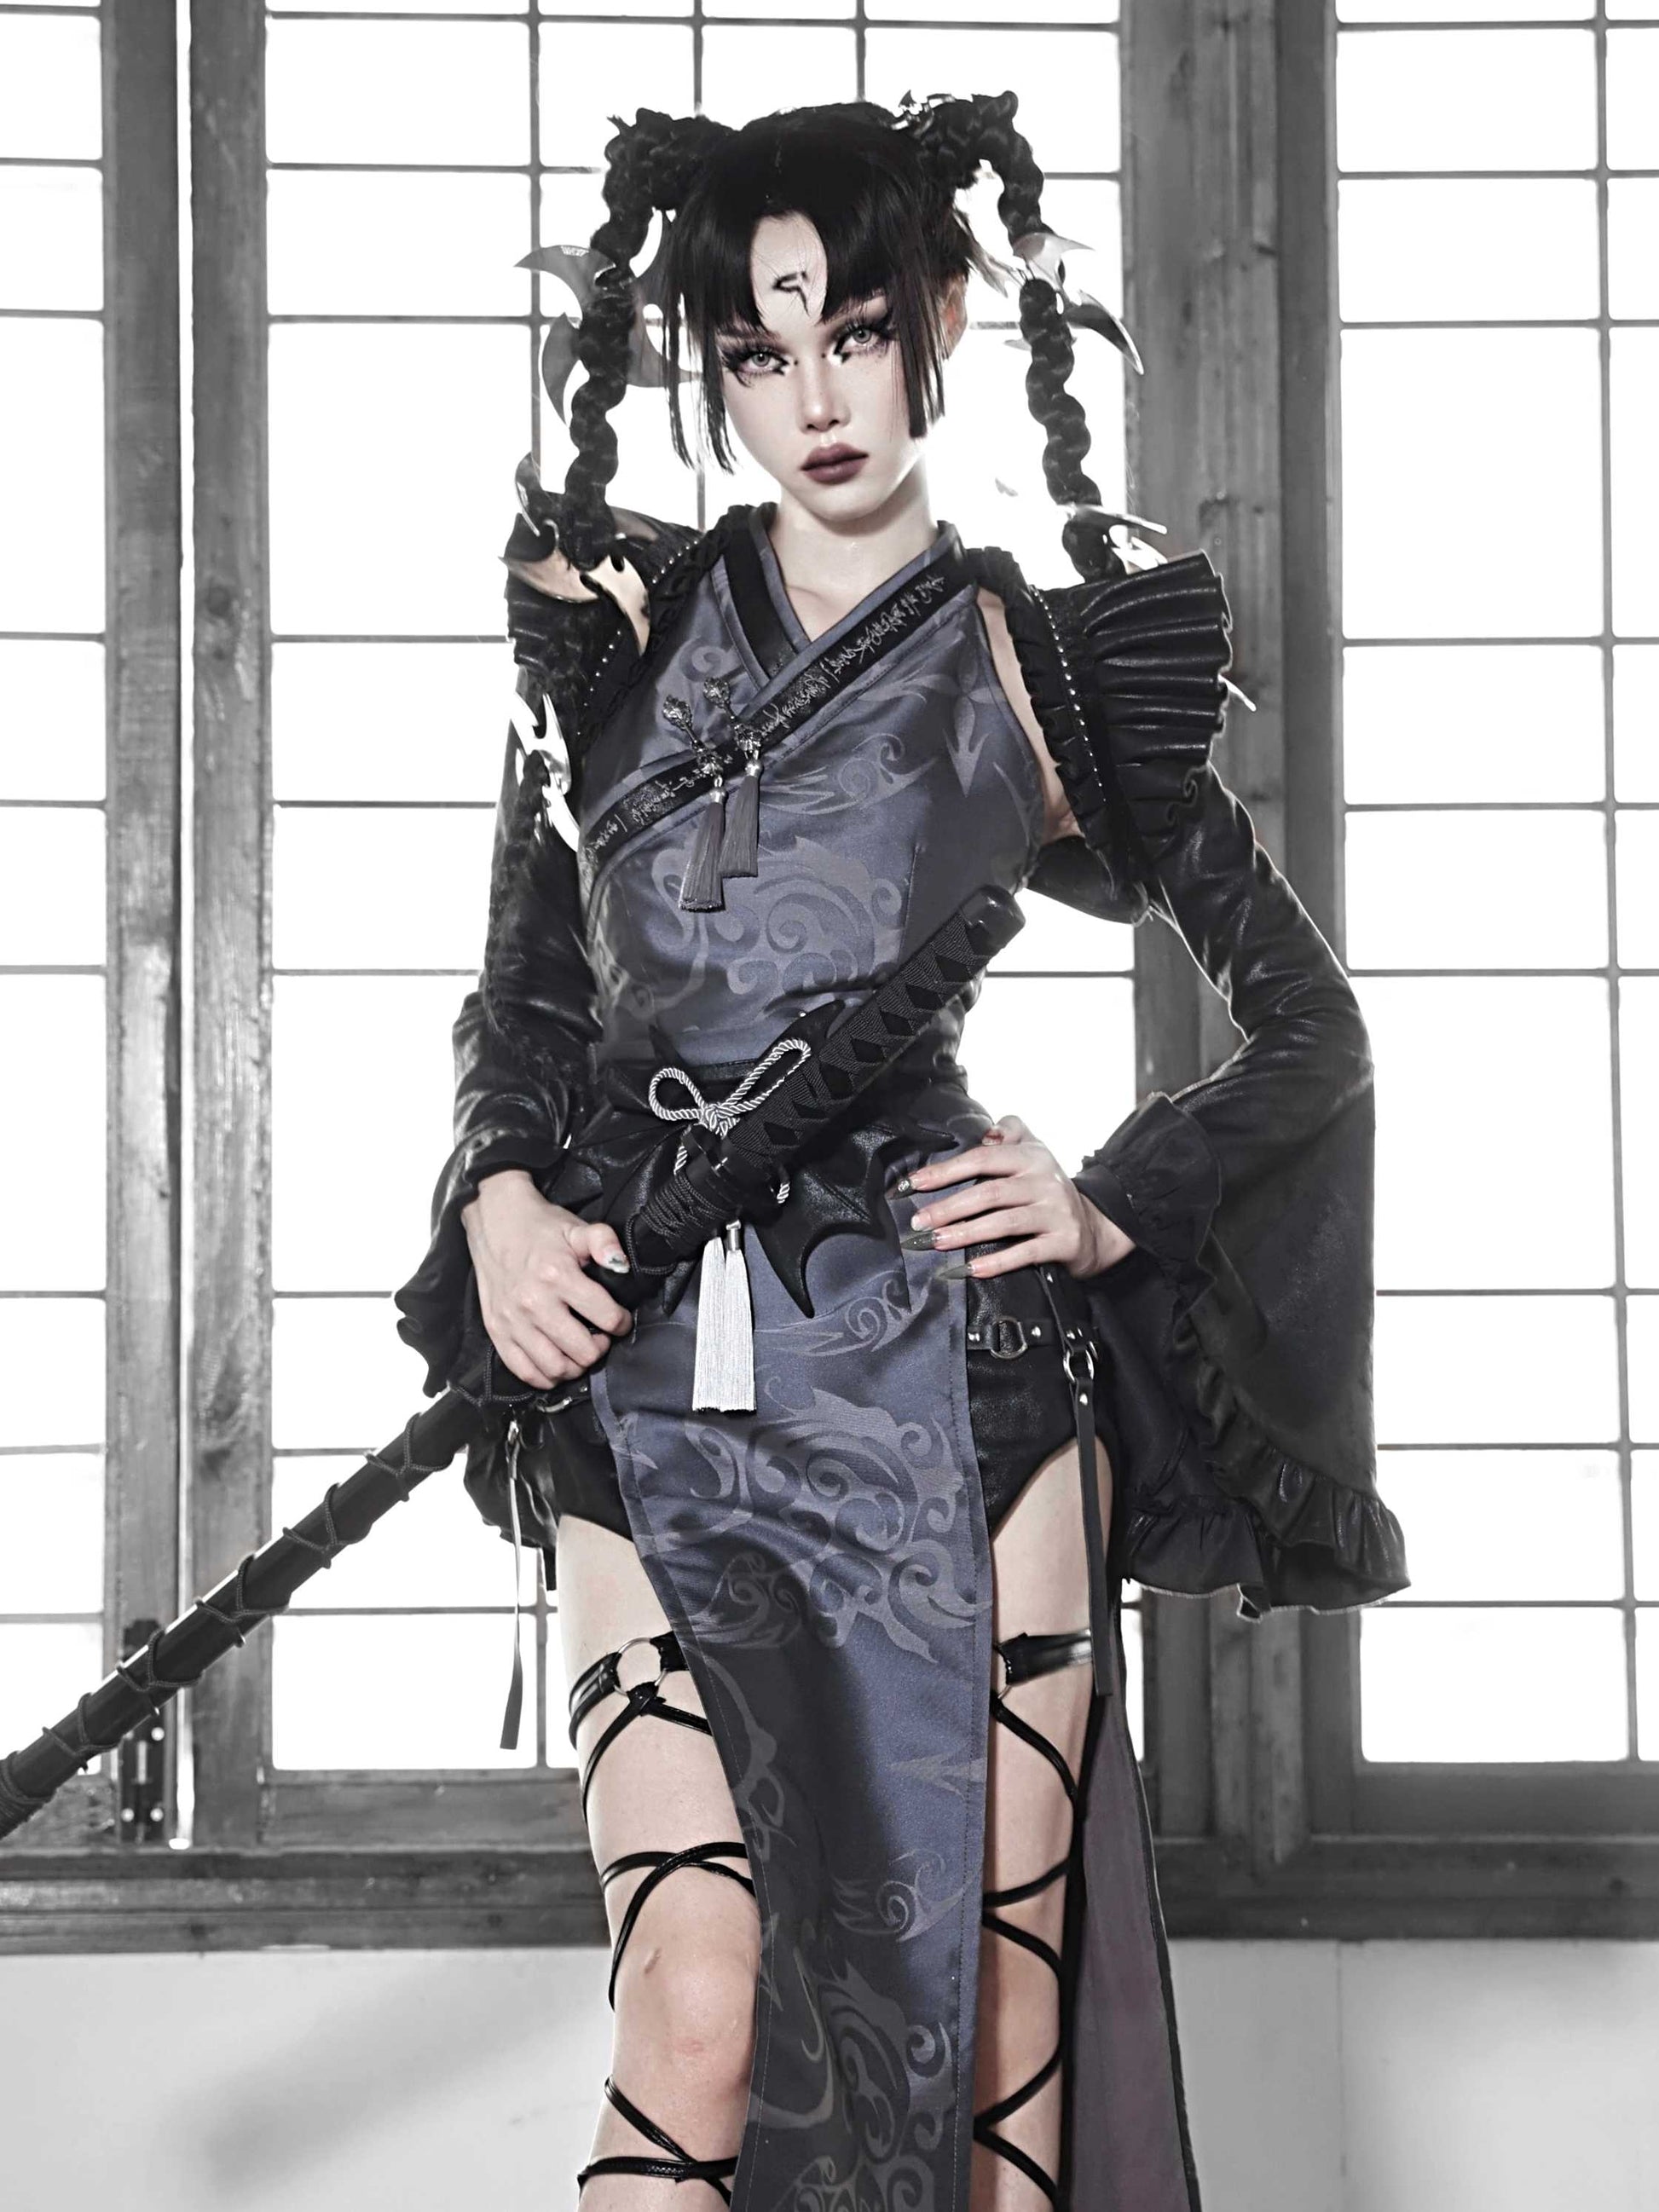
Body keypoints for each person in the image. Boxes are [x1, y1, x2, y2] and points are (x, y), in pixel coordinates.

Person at [394, 92, 1408, 2212]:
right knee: (696, 1995)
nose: (812, 398)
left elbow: (1310, 1029)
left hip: (961, 1373)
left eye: (852, 331)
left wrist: (1102, 1197)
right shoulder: (609, 623)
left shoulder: (1054, 661)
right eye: (756, 353)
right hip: (645, 1362)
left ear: (940, 310)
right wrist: (498, 1196)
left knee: (993, 2044)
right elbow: (524, 992)